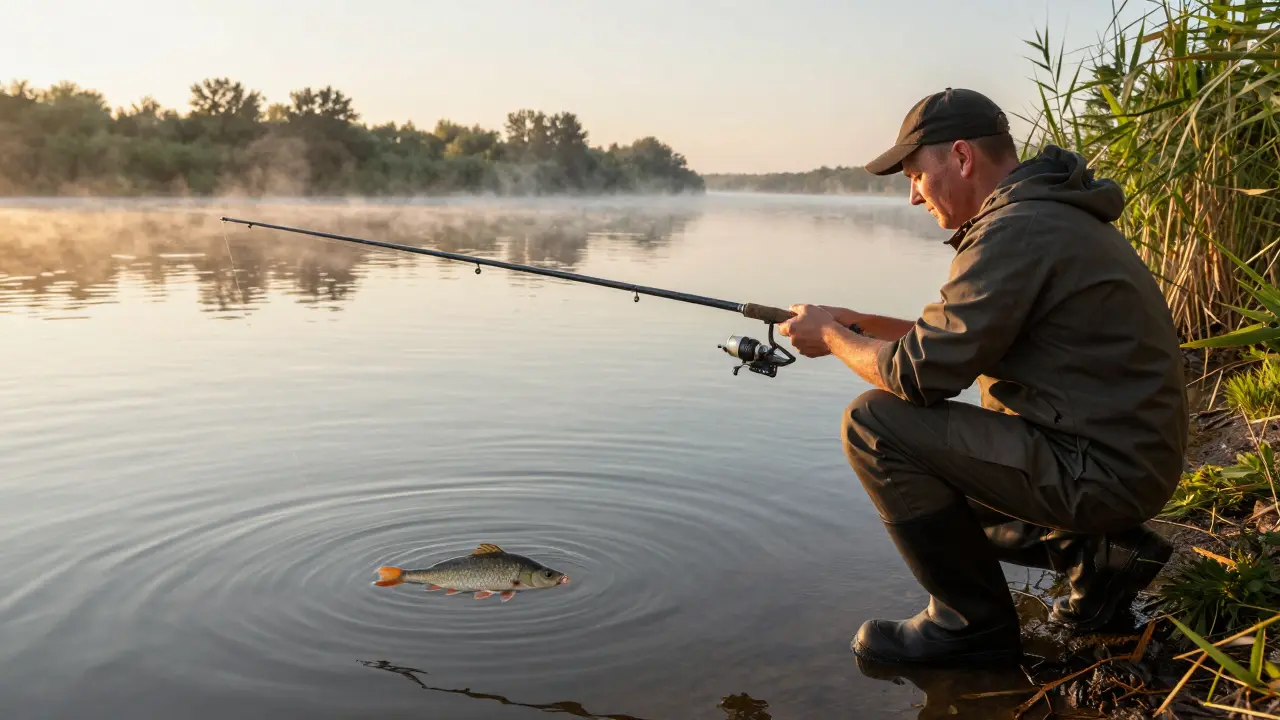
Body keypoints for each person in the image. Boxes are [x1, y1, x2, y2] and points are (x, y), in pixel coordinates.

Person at [777, 88, 1188, 666]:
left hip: (1101, 471)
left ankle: (970, 626)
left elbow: (917, 374)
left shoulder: (1014, 229)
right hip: (1123, 459)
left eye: (916, 176)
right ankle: (1099, 555)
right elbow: (957, 343)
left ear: (962, 157)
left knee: (873, 425)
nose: (913, 196)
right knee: (931, 482)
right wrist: (859, 324)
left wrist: (833, 338)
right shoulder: (1045, 214)